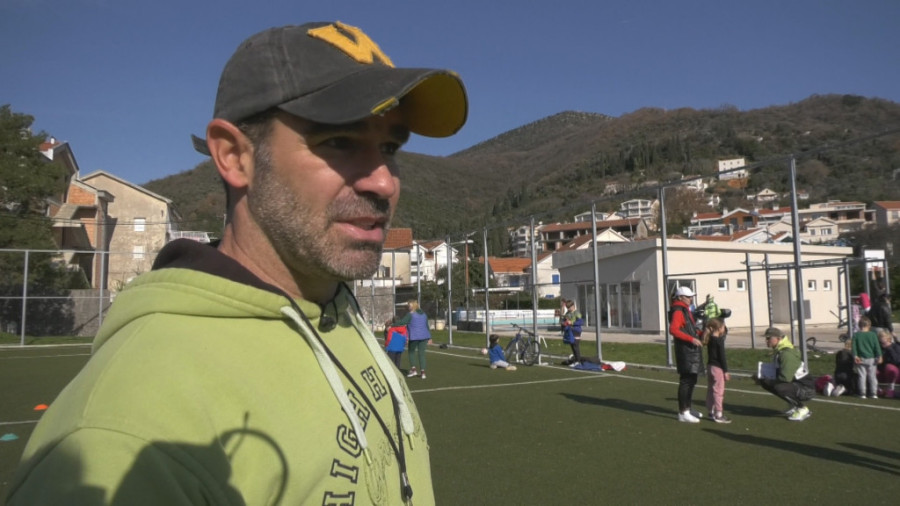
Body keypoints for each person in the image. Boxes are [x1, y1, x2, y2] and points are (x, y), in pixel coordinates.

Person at [7, 21, 467, 505]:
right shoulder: (125, 434)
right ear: (233, 156)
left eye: (390, 148)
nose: (385, 183)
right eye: (340, 142)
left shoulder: (335, 308)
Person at [756, 327, 816, 421]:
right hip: (798, 385)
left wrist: (769, 380)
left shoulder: (786, 354)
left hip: (806, 389)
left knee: (778, 387)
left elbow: (785, 378)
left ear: (778, 338)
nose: (766, 341)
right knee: (765, 382)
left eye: (769, 338)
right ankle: (794, 405)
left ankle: (802, 408)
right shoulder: (781, 351)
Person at [668, 286, 705, 423]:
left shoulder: (685, 309)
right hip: (685, 350)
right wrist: (692, 339)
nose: (691, 299)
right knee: (686, 381)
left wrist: (701, 333)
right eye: (688, 297)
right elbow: (673, 329)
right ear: (680, 297)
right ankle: (683, 412)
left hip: (690, 350)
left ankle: (687, 409)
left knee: (691, 380)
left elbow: (690, 328)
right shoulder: (678, 310)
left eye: (691, 297)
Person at [702, 318, 731, 423]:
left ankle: (710, 411)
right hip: (718, 368)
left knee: (711, 389)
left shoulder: (710, 339)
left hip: (710, 366)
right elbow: (722, 357)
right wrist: (725, 371)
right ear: (719, 328)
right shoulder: (719, 341)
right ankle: (719, 414)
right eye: (723, 327)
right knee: (718, 391)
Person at [397, 300, 432, 379]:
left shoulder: (410, 314)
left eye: (410, 306)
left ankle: (413, 370)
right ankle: (423, 373)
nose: (408, 307)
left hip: (414, 336)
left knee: (411, 352)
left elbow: (402, 322)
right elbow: (427, 326)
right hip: (424, 336)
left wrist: (393, 324)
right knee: (421, 354)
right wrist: (429, 337)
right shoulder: (424, 314)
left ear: (413, 306)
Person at [852, 316, 883, 398]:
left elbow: (854, 347)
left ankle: (862, 393)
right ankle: (873, 393)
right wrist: (879, 356)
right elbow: (877, 347)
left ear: (859, 325)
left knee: (862, 376)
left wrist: (855, 356)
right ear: (869, 325)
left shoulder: (856, 335)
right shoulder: (873, 335)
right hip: (872, 359)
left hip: (861, 358)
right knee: (872, 376)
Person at [876, 329, 900, 398]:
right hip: (882, 372)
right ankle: (878, 390)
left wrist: (889, 348)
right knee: (872, 369)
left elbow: (897, 360)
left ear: (888, 338)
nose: (881, 342)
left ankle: (890, 389)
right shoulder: (879, 348)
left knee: (889, 367)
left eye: (883, 338)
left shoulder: (895, 346)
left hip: (894, 374)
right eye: (880, 339)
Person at [561, 299, 584, 363]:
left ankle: (578, 361)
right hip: (570, 331)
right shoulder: (567, 313)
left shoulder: (577, 313)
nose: (568, 309)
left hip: (576, 331)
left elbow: (581, 322)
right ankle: (576, 360)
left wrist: (572, 323)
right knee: (572, 346)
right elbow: (563, 320)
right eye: (567, 308)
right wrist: (564, 323)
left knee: (575, 346)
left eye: (569, 307)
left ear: (573, 306)